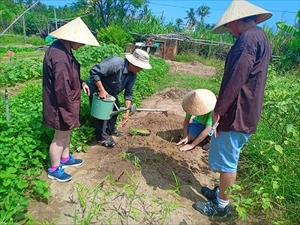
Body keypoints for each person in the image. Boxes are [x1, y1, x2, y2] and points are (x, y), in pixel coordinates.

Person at [193, 0, 272, 217]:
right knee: (228, 156)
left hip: (237, 111)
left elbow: (236, 78)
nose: (229, 31)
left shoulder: (246, 40)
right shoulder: (260, 37)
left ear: (236, 22)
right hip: (246, 109)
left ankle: (221, 206)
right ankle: (221, 193)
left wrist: (219, 109)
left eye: (229, 27)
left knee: (228, 162)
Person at [43, 17, 99, 182]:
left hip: (67, 102)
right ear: (72, 38)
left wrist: (81, 83)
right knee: (59, 136)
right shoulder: (59, 55)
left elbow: (70, 76)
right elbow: (61, 87)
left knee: (67, 131)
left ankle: (65, 158)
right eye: (81, 42)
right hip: (60, 104)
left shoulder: (64, 50)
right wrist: (68, 109)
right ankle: (54, 168)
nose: (82, 45)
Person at [87, 49, 152, 147]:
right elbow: (94, 72)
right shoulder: (115, 64)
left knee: (116, 107)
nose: (141, 70)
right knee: (102, 111)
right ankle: (102, 137)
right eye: (140, 67)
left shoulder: (133, 75)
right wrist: (101, 90)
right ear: (134, 64)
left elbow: (128, 93)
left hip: (110, 90)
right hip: (97, 85)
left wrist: (127, 112)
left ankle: (110, 129)